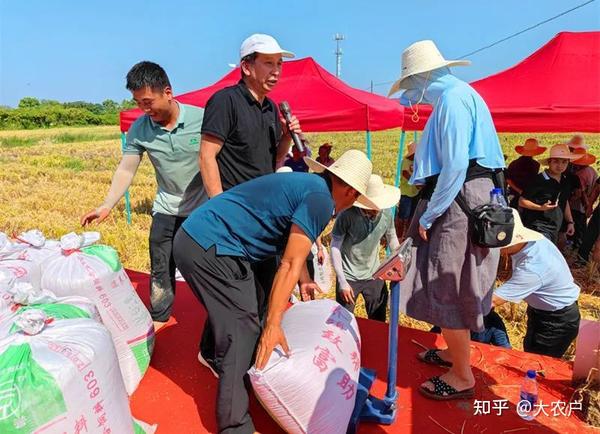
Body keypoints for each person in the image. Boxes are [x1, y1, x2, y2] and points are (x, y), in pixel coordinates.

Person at [173, 150, 383, 434]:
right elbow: (290, 262)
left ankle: (212, 354)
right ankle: (234, 425)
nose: (352, 204)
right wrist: (272, 325)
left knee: (257, 300)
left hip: (213, 240)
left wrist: (303, 280)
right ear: (349, 190)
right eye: (355, 198)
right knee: (243, 326)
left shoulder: (312, 187)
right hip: (207, 245)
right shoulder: (321, 199)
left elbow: (292, 244)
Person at [389, 40, 505, 400]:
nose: (411, 96)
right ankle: (452, 353)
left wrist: (431, 213)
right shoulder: (462, 95)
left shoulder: (452, 101)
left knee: (448, 281)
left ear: (421, 78)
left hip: (457, 200)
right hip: (471, 195)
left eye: (410, 86)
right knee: (454, 279)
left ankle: (461, 375)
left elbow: (454, 165)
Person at [198, 34, 301, 373]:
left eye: (279, 64)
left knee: (261, 288)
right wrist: (219, 208)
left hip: (263, 214)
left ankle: (246, 349)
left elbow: (272, 161)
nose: (276, 71)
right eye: (268, 63)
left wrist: (287, 134)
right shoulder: (225, 102)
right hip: (233, 214)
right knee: (234, 292)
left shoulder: (271, 108)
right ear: (246, 66)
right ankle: (212, 353)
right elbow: (207, 156)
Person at [80, 61, 205, 329]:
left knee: (206, 267)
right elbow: (126, 169)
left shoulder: (202, 119)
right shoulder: (140, 128)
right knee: (160, 266)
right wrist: (107, 205)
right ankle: (159, 317)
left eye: (148, 101)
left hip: (203, 210)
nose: (144, 109)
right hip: (166, 208)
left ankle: (218, 316)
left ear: (168, 92)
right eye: (139, 103)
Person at [492, 209, 581, 358]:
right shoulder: (535, 241)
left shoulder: (532, 268)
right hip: (544, 312)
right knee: (531, 348)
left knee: (537, 362)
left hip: (556, 321)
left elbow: (492, 301)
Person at [331, 174, 401, 321]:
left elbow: (392, 238)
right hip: (349, 276)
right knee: (343, 321)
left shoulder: (387, 213)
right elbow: (335, 246)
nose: (377, 209)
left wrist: (399, 257)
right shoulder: (347, 215)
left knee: (378, 319)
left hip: (374, 274)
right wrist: (342, 281)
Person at [519, 144, 580, 244]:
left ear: (568, 163)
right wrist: (540, 207)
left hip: (556, 227)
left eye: (564, 162)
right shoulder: (538, 180)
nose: (560, 166)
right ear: (549, 162)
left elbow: (564, 201)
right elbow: (522, 201)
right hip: (538, 227)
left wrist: (570, 222)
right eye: (556, 161)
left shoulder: (565, 180)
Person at [569, 147, 597, 249]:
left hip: (578, 206)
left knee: (578, 227)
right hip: (586, 204)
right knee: (582, 226)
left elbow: (580, 193)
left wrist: (569, 201)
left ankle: (577, 246)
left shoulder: (580, 174)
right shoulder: (592, 170)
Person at [505, 138, 545, 208]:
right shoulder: (535, 165)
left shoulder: (513, 163)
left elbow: (508, 180)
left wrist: (518, 190)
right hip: (528, 196)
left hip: (513, 194)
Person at [396, 141, 420, 239]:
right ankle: (399, 235)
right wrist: (417, 183)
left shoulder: (417, 161)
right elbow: (406, 174)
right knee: (403, 215)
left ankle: (409, 234)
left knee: (412, 215)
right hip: (406, 193)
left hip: (415, 192)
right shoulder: (405, 161)